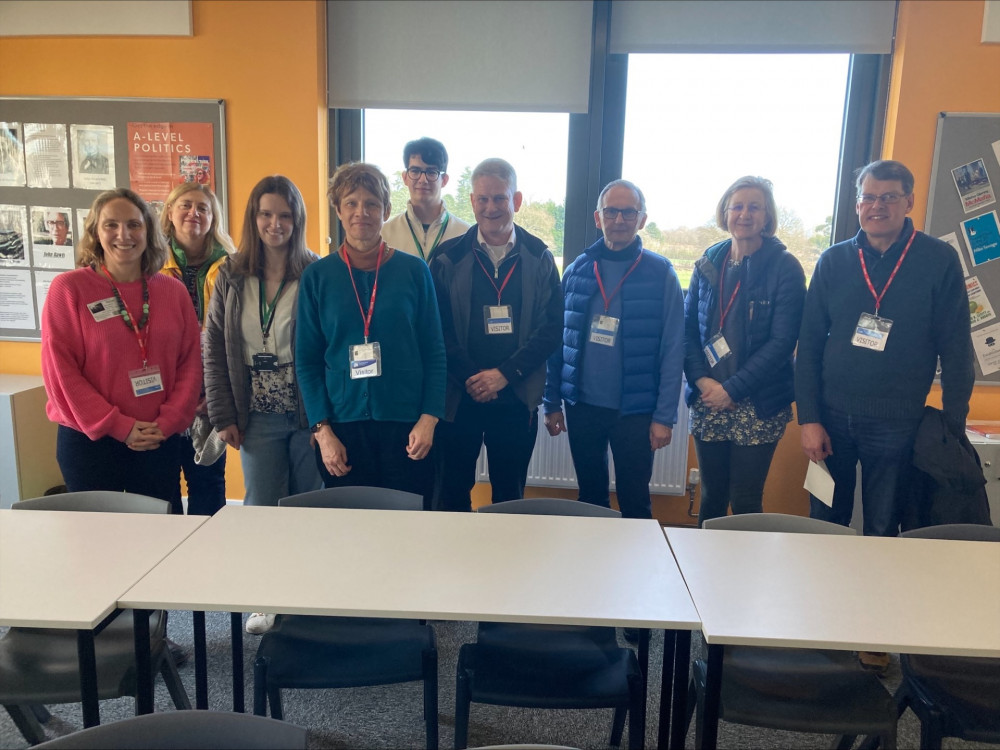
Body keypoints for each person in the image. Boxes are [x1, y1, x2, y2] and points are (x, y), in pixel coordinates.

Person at [796, 159, 974, 539]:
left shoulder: (938, 260)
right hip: (831, 418)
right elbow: (809, 345)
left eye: (889, 197)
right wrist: (808, 419)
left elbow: (957, 349)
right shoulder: (834, 261)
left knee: (882, 527)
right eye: (869, 198)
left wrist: (953, 427)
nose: (877, 206)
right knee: (824, 522)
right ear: (857, 204)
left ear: (908, 201)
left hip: (898, 422)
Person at [204, 176, 323, 635]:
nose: (276, 224)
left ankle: (307, 599)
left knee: (308, 505)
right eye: (266, 214)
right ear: (254, 218)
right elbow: (213, 345)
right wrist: (222, 416)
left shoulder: (314, 271)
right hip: (255, 412)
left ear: (298, 221)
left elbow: (325, 346)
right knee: (261, 506)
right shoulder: (231, 275)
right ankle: (266, 598)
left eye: (286, 215)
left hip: (307, 410)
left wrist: (325, 420)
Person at [41, 187, 201, 510]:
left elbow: (190, 363)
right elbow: (61, 374)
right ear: (95, 233)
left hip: (158, 437)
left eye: (134, 224)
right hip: (92, 443)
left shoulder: (172, 290)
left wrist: (167, 423)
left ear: (148, 230)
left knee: (161, 541)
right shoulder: (69, 290)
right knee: (100, 547)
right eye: (110, 225)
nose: (123, 235)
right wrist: (120, 427)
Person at [296, 162, 446, 500]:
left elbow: (435, 352)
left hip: (407, 429)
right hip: (342, 430)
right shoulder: (318, 277)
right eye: (351, 203)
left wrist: (429, 420)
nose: (361, 212)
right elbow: (306, 360)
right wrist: (322, 431)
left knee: (406, 528)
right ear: (337, 209)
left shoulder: (414, 272)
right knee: (350, 533)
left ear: (386, 210)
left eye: (371, 204)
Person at [543, 179, 685, 519]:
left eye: (628, 212)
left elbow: (673, 347)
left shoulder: (660, 272)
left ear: (642, 219)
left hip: (635, 412)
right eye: (611, 211)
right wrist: (551, 401)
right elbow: (556, 341)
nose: (619, 219)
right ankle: (594, 567)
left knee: (635, 499)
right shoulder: (577, 270)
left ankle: (637, 570)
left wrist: (665, 416)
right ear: (598, 217)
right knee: (590, 498)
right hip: (583, 406)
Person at [429, 158, 563, 511]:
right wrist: (474, 378)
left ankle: (505, 564)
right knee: (452, 493)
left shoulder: (540, 257)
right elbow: (436, 330)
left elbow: (551, 330)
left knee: (509, 496)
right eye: (483, 199)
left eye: (500, 199)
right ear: (472, 201)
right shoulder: (446, 258)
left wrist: (504, 375)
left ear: (516, 201)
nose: (491, 208)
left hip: (516, 397)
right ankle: (453, 564)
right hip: (459, 399)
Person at [683, 176, 806, 526]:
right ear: (725, 212)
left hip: (758, 403)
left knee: (746, 499)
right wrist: (703, 382)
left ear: (768, 216)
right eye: (737, 206)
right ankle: (702, 574)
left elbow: (783, 342)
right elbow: (688, 329)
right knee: (712, 496)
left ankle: (745, 578)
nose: (745, 214)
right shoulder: (708, 262)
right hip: (708, 396)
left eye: (755, 206)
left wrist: (732, 390)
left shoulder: (785, 267)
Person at [160, 183, 236, 515]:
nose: (194, 213)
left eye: (203, 208)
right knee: (161, 486)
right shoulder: (148, 264)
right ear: (170, 213)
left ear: (213, 218)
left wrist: (219, 396)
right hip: (160, 395)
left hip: (210, 394)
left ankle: (210, 560)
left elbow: (236, 338)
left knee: (208, 483)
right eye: (186, 206)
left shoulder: (231, 267)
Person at [381, 136, 469, 262]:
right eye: (415, 171)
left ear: (444, 180)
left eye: (431, 172)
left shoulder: (464, 235)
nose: (423, 180)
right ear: (405, 177)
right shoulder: (385, 234)